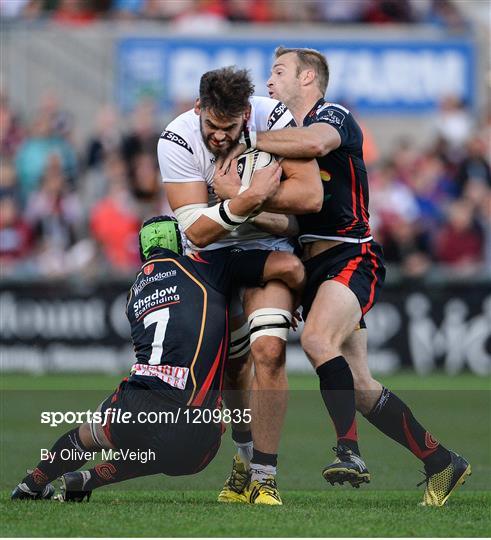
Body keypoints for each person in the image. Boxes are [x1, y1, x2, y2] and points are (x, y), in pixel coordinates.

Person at [215, 46, 471, 506]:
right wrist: (243, 203)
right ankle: (442, 462)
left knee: (316, 342)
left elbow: (316, 144)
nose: (269, 81)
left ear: (308, 78)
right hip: (313, 267)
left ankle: (348, 452)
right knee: (361, 387)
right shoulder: (285, 137)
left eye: (278, 72)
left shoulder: (333, 116)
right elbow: (293, 219)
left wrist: (245, 140)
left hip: (350, 255)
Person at [11, 213, 306, 502]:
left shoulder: (133, 294)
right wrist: (286, 299)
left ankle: (31, 484)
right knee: (175, 449)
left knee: (87, 434)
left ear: (142, 251)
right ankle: (94, 477)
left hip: (133, 403)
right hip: (191, 423)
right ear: (181, 243)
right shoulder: (205, 267)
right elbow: (289, 266)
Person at [158, 66, 321, 505]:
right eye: (211, 126)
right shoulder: (175, 138)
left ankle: (265, 478)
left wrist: (233, 203)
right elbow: (194, 230)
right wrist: (249, 200)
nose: (218, 137)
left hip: (267, 245)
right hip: (210, 258)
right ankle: (245, 457)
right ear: (198, 110)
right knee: (232, 367)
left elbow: (309, 199)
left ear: (247, 115)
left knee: (269, 350)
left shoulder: (276, 119)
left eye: (228, 128)